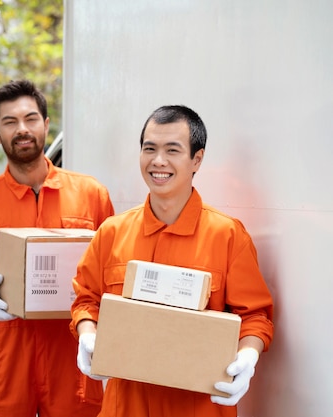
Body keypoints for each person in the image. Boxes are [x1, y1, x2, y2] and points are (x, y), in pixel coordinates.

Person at [71, 105, 274, 417]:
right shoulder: (112, 233)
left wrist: (248, 355)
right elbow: (86, 299)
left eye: (172, 150)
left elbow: (255, 316)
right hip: (126, 404)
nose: (158, 161)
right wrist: (87, 334)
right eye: (149, 149)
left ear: (197, 159)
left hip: (197, 406)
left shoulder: (227, 236)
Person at [0, 79, 115, 417]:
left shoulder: (91, 195)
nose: (22, 129)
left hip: (70, 356)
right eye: (10, 122)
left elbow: (112, 274)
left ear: (46, 125)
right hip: (3, 360)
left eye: (31, 119)